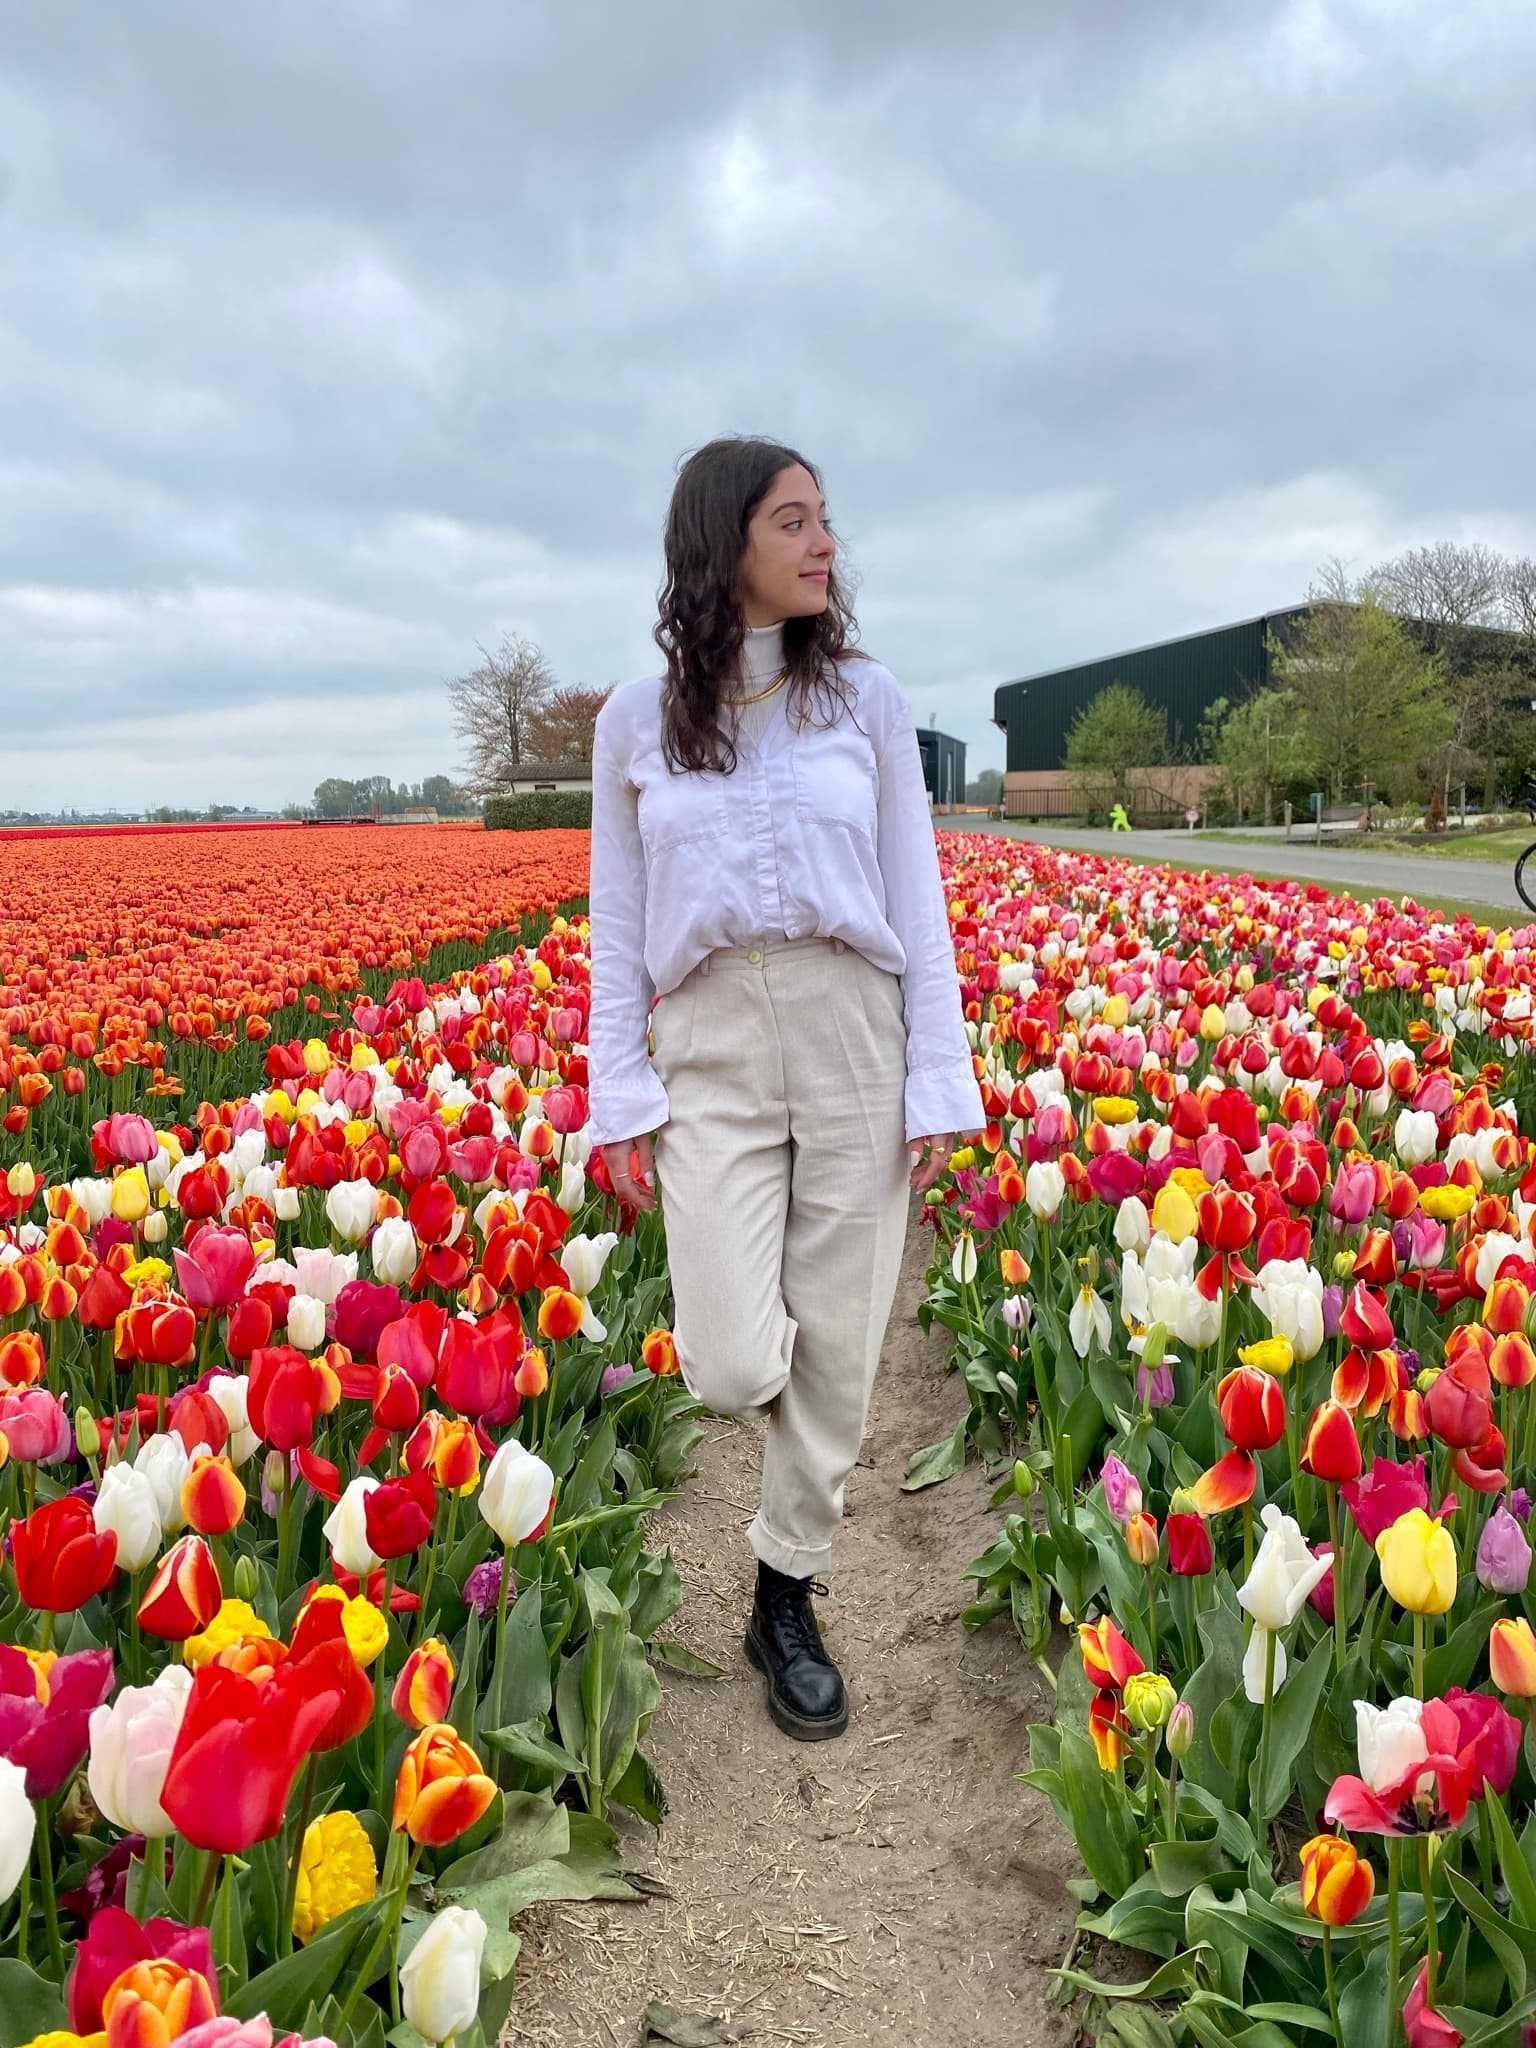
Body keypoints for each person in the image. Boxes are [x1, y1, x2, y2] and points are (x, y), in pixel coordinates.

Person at [586, 436, 985, 1743]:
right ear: (725, 544)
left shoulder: (862, 702)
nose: (825, 544)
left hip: (852, 1023)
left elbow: (914, 900)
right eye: (795, 521)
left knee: (843, 1339)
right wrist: (618, 1090)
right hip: (707, 1036)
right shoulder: (635, 724)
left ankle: (784, 1590)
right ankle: (783, 1480)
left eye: (825, 522)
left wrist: (939, 1074)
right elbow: (615, 918)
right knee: (733, 1357)